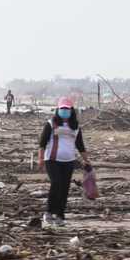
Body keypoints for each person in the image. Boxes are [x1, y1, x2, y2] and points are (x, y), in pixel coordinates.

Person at [37, 97, 90, 228]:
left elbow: (80, 145)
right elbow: (42, 143)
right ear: (58, 109)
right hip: (52, 160)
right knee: (56, 183)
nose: (65, 111)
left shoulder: (75, 126)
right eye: (62, 109)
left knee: (65, 187)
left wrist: (86, 161)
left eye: (67, 109)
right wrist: (40, 159)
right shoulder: (51, 123)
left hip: (69, 161)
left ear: (72, 110)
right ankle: (49, 212)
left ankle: (60, 215)